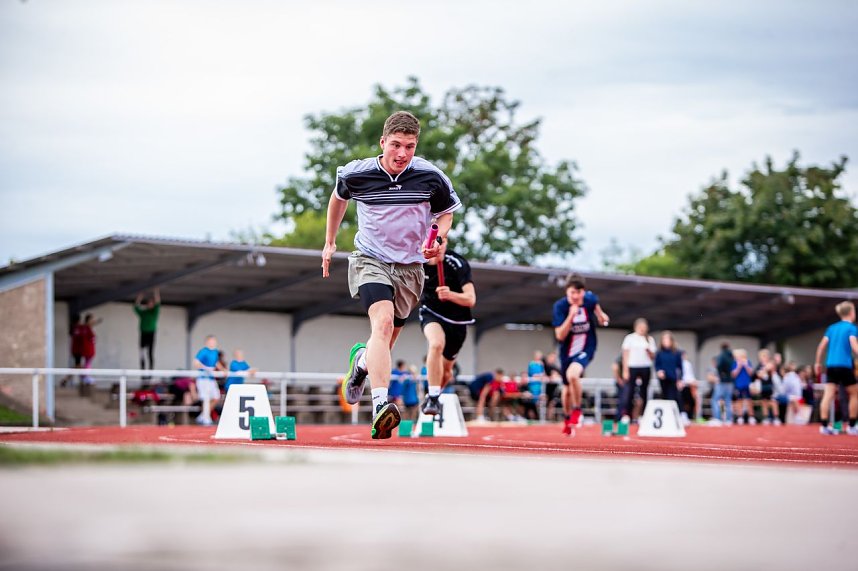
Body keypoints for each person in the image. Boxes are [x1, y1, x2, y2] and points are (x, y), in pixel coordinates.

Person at [323, 111, 460, 440]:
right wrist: (329, 242)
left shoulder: (431, 177)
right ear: (382, 142)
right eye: (396, 145)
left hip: (411, 267)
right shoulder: (358, 173)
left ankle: (361, 365)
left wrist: (439, 240)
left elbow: (445, 214)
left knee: (384, 340)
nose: (402, 154)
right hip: (371, 258)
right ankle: (381, 405)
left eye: (410, 147)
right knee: (381, 324)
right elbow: (338, 199)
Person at [419, 239, 476, 416]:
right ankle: (434, 398)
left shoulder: (457, 263)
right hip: (431, 312)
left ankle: (432, 396)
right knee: (436, 344)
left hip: (457, 322)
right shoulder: (418, 262)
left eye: (442, 243)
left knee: (447, 373)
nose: (439, 248)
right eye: (436, 244)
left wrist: (450, 295)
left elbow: (471, 299)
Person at [552, 274, 610, 434]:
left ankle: (577, 410)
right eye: (572, 293)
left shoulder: (590, 300)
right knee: (566, 388)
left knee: (573, 375)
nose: (576, 297)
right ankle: (567, 418)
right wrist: (571, 316)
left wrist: (602, 317)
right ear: (567, 292)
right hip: (566, 352)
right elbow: (559, 335)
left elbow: (600, 314)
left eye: (579, 293)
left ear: (584, 292)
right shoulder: (560, 307)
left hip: (587, 347)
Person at [814, 301, 858, 435]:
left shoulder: (831, 328)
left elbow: (821, 346)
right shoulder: (851, 327)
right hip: (844, 365)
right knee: (855, 394)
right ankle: (851, 426)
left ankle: (824, 426)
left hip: (831, 365)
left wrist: (817, 363)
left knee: (828, 394)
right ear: (851, 313)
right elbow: (854, 345)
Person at [620, 318, 656, 423]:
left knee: (644, 391)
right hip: (633, 366)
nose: (642, 329)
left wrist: (648, 349)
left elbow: (653, 356)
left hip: (645, 366)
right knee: (630, 391)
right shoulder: (630, 338)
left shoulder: (649, 339)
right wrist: (625, 370)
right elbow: (625, 355)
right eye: (640, 327)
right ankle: (627, 414)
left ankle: (642, 414)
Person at [193, 335, 226, 425]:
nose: (213, 343)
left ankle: (203, 415)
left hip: (211, 378)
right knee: (206, 398)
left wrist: (223, 369)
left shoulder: (215, 352)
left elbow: (216, 363)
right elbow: (196, 363)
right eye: (211, 341)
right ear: (207, 342)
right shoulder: (203, 351)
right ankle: (206, 418)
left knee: (216, 397)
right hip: (203, 378)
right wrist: (206, 368)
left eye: (214, 341)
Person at [71, 313, 102, 392]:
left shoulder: (86, 328)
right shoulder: (84, 328)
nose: (93, 321)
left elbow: (91, 324)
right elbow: (87, 327)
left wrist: (97, 321)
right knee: (84, 365)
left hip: (87, 350)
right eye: (92, 320)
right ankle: (85, 377)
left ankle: (85, 377)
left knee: (85, 365)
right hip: (86, 350)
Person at [654, 331, 683, 413]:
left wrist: (680, 379)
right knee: (664, 395)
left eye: (668, 340)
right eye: (664, 340)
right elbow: (657, 365)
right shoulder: (659, 353)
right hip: (663, 378)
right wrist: (659, 371)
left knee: (673, 396)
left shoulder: (677, 353)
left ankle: (677, 413)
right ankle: (666, 413)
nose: (666, 342)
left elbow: (680, 367)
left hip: (673, 378)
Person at [133, 288, 160, 374]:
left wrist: (156, 292)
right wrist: (139, 298)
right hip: (143, 333)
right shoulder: (143, 312)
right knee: (142, 353)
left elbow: (158, 303)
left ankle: (150, 372)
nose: (150, 304)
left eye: (151, 303)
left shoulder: (154, 312)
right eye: (148, 303)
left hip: (151, 334)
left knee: (150, 353)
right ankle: (143, 372)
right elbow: (136, 307)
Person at [755, 349, 781, 425]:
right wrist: (763, 371)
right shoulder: (759, 366)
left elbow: (769, 369)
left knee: (773, 402)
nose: (763, 358)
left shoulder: (770, 364)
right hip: (763, 386)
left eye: (764, 356)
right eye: (761, 356)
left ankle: (776, 417)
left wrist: (763, 370)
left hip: (770, 386)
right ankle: (766, 417)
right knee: (764, 402)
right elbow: (758, 374)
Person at [710, 342, 734, 424]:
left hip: (722, 381)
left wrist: (720, 374)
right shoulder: (731, 356)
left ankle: (717, 418)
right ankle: (729, 419)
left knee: (715, 400)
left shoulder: (721, 356)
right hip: (730, 381)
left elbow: (719, 366)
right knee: (728, 401)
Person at [731, 349, 756, 425]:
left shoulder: (748, 362)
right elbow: (733, 374)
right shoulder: (734, 363)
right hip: (738, 384)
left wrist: (745, 365)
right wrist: (739, 367)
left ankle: (751, 417)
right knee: (739, 400)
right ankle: (740, 417)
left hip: (747, 384)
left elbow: (751, 373)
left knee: (749, 400)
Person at [679, 352, 701, 423]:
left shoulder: (687, 363)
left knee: (691, 402)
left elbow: (689, 375)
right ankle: (684, 416)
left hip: (688, 386)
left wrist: (693, 381)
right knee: (683, 402)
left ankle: (689, 416)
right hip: (682, 386)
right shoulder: (680, 363)